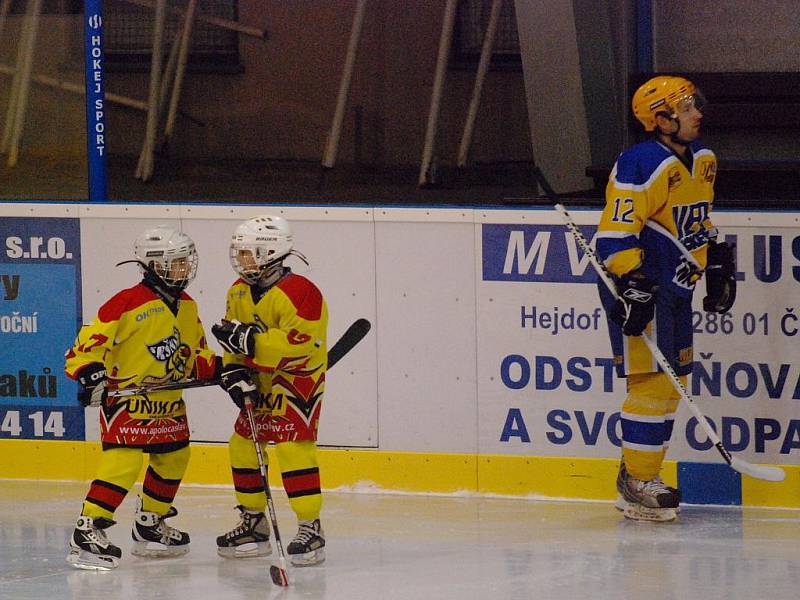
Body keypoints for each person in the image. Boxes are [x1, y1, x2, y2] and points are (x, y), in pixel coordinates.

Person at [595, 75, 737, 522]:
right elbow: (615, 236)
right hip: (642, 283)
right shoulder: (640, 163)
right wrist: (632, 284)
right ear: (661, 118)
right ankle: (637, 483)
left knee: (673, 382)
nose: (698, 113)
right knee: (652, 383)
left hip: (676, 283)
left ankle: (639, 473)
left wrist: (714, 260)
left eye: (696, 104)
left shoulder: (704, 160)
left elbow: (697, 221)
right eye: (688, 107)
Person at [64, 226, 219, 569]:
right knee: (123, 462)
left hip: (168, 403)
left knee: (175, 457)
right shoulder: (126, 302)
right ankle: (87, 527)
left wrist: (225, 369)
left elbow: (197, 355)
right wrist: (90, 370)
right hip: (129, 401)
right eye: (177, 262)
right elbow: (83, 347)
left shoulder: (187, 306)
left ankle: (150, 523)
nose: (185, 268)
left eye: (185, 261)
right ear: (155, 264)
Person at [211, 215, 329, 566]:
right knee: (243, 446)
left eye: (249, 253)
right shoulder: (237, 290)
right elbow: (231, 335)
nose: (242, 259)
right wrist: (233, 369)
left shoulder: (302, 292)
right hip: (259, 381)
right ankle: (254, 521)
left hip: (296, 382)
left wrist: (254, 341)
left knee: (294, 449)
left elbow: (302, 342)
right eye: (240, 253)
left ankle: (311, 527)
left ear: (271, 252)